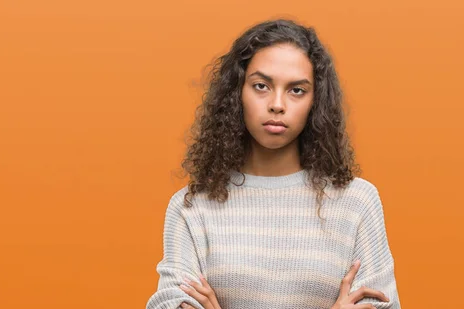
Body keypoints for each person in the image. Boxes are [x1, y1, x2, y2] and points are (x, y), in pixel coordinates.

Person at [145, 19, 401, 309]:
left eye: (297, 90)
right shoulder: (192, 208)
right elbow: (168, 303)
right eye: (261, 86)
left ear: (315, 102)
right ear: (237, 94)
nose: (277, 104)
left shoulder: (357, 203)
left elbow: (382, 305)